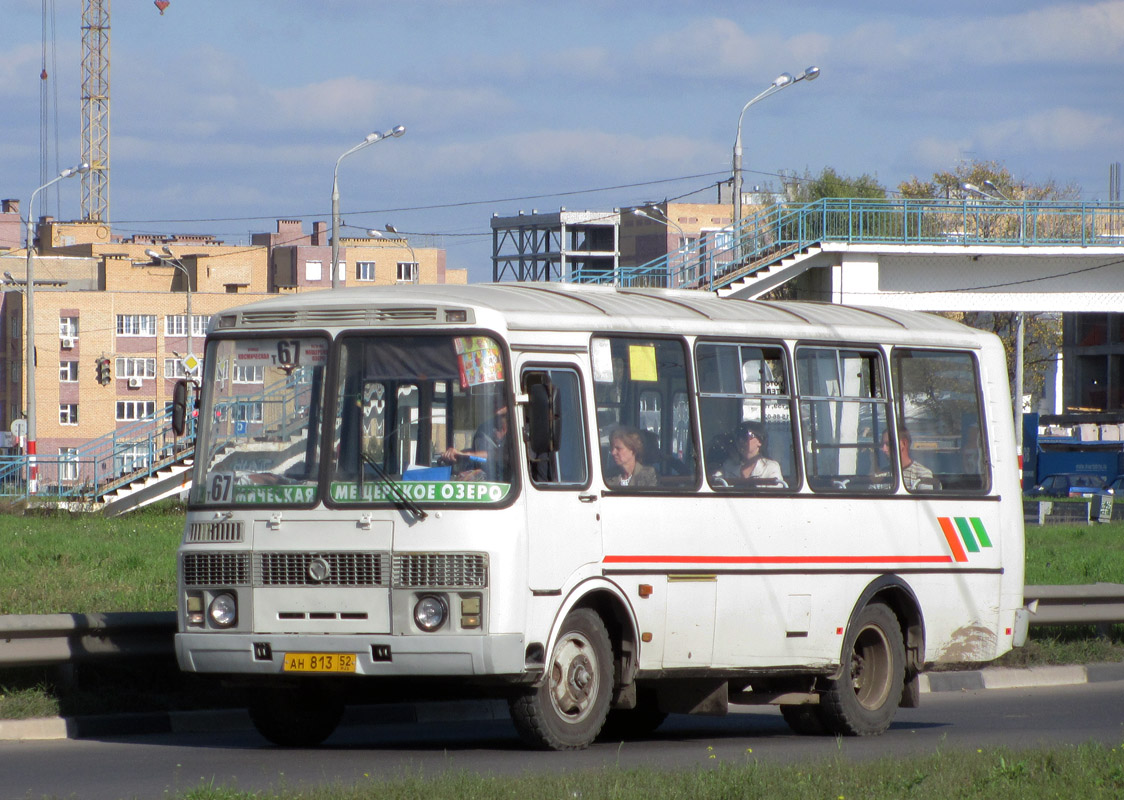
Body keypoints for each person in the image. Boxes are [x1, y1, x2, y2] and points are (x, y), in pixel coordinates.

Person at [443, 404, 510, 481]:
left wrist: (464, 454)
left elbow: (496, 455)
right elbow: (478, 454)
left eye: (503, 400)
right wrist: (458, 454)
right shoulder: (484, 430)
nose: (498, 409)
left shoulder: (517, 430)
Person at [718, 421, 785, 487]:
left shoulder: (770, 467)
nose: (741, 440)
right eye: (738, 437)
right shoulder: (728, 466)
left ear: (760, 441)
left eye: (745, 436)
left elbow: (773, 495)